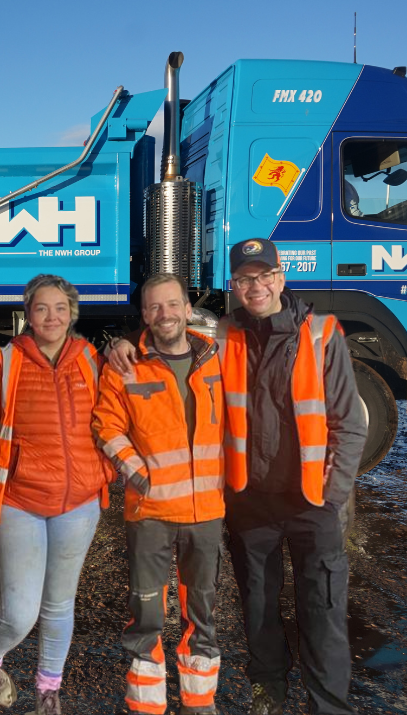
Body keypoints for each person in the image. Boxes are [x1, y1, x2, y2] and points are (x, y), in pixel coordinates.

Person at [219, 238, 365, 715]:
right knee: (258, 608)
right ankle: (269, 690)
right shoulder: (223, 336)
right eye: (244, 279)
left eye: (264, 276)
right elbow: (167, 351)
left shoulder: (322, 333)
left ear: (281, 279)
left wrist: (333, 493)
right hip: (250, 501)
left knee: (321, 610)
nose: (255, 286)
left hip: (311, 503)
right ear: (234, 286)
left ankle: (327, 705)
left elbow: (349, 420)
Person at [0, 274, 113, 715]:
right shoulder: (6, 362)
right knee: (19, 613)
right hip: (20, 503)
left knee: (59, 604)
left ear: (73, 313)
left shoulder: (90, 359)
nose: (52, 317)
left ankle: (49, 690)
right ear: (28, 314)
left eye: (61, 308)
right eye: (42, 308)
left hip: (79, 503)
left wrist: (104, 470)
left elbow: (114, 418)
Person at [92, 273, 226, 715]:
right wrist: (139, 476)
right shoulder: (126, 364)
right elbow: (106, 425)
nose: (164, 314)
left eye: (172, 305)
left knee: (201, 612)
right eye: (153, 307)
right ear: (144, 315)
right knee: (146, 613)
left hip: (205, 510)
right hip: (149, 511)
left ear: (189, 310)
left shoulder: (216, 360)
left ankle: (199, 700)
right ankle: (146, 705)